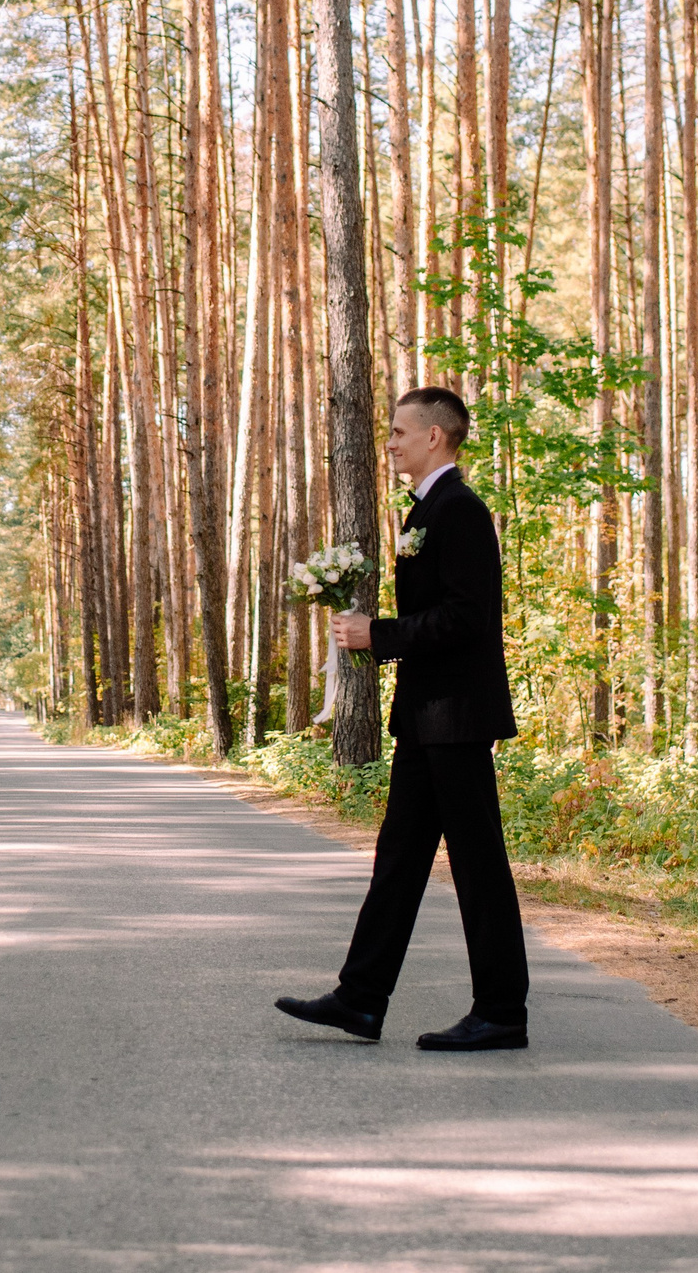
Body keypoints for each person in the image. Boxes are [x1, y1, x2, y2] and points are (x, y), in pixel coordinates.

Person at [275, 387, 532, 1052]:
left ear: (435, 438)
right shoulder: (425, 510)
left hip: (458, 717)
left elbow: (465, 617)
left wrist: (376, 634)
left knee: (477, 864)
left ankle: (502, 1009)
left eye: (398, 431)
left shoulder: (461, 511)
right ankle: (361, 998)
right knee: (398, 859)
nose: (389, 442)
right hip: (424, 718)